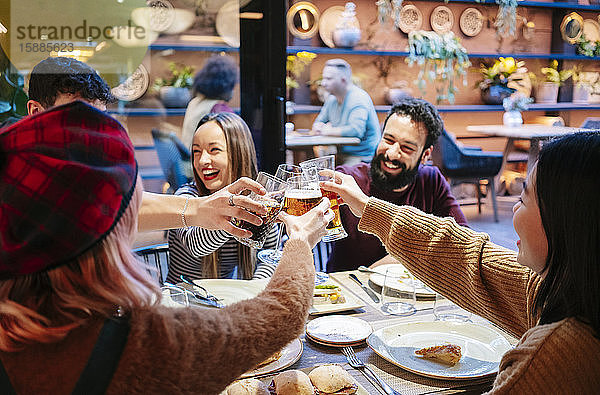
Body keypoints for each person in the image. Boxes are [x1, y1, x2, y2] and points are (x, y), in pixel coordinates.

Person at [0, 100, 334, 394]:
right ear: (116, 224)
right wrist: (301, 242)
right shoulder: (146, 344)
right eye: (136, 199)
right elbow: (280, 317)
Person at [321, 131, 600, 393]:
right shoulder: (560, 288)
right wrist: (368, 207)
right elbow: (466, 257)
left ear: (568, 223)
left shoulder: (556, 353)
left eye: (524, 198)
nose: (514, 208)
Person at [22, 56, 262, 237]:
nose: (93, 133)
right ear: (36, 112)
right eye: (80, 117)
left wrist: (202, 208)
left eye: (100, 119)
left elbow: (123, 204)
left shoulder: (81, 162)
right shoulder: (19, 171)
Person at [327, 97, 467, 272]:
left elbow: (462, 244)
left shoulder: (431, 181)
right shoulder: (348, 179)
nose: (392, 154)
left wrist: (385, 264)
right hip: (349, 293)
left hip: (414, 297)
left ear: (425, 154)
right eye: (388, 140)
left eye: (407, 147)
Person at [167, 112, 279, 282]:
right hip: (182, 301)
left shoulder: (256, 200)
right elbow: (195, 246)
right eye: (196, 151)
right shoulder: (186, 197)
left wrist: (253, 292)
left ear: (238, 153)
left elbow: (269, 257)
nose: (202, 160)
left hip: (225, 302)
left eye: (214, 150)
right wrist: (234, 210)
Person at [312, 59, 380, 165]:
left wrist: (327, 131)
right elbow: (318, 123)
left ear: (343, 80)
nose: (323, 83)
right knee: (314, 169)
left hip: (362, 156)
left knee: (332, 176)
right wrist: (319, 127)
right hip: (341, 153)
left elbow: (356, 131)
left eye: (329, 79)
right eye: (324, 78)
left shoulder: (358, 98)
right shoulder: (332, 99)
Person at [181, 55, 237, 148]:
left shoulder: (195, 102)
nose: (232, 91)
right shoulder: (219, 109)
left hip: (192, 158)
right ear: (222, 86)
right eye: (231, 86)